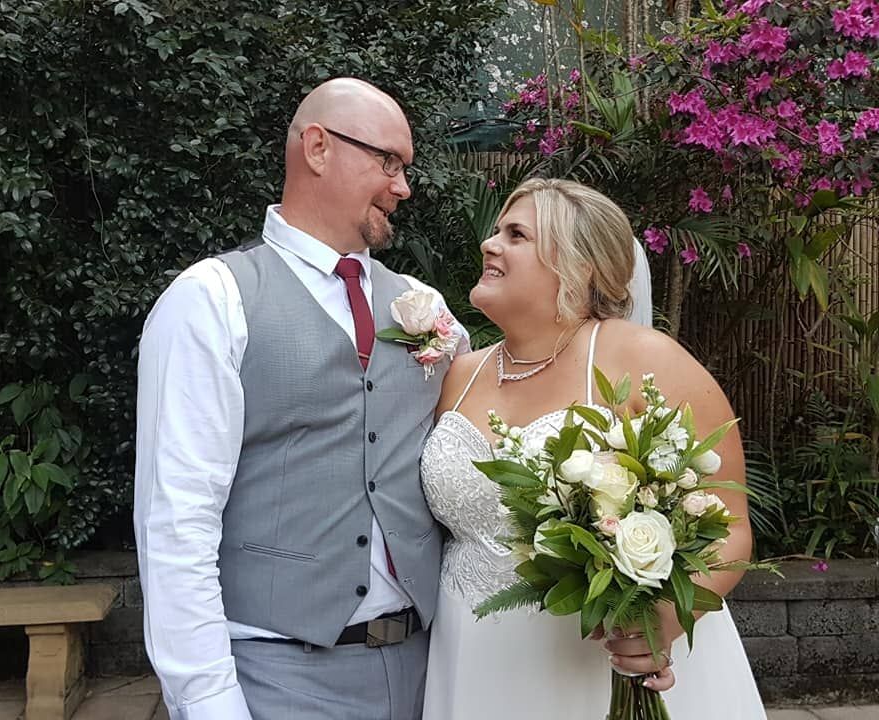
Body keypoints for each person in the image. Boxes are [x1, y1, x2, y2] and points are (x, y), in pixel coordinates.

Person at [133, 77, 472, 720]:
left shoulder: (427, 307)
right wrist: (207, 701)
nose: (404, 187)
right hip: (276, 677)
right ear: (318, 147)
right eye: (389, 161)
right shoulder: (212, 299)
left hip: (428, 673)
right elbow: (176, 520)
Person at [420, 178, 766, 719]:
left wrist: (664, 621)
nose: (490, 244)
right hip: (472, 654)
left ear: (578, 266)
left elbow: (732, 523)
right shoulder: (460, 373)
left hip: (599, 658)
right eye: (496, 231)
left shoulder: (642, 357)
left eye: (516, 235)